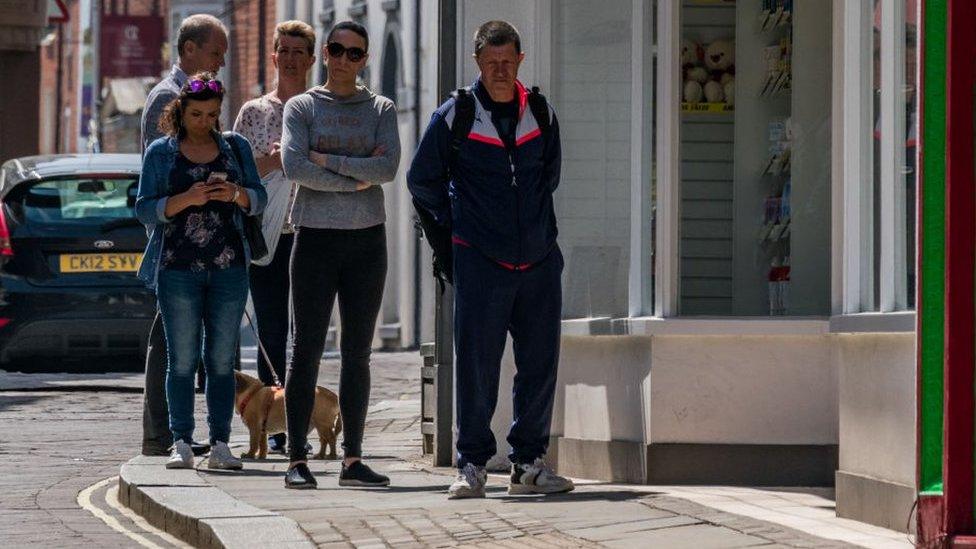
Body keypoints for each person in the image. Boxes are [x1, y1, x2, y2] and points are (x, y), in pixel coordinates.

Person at [407, 20, 574, 499]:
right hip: (480, 260)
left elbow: (550, 177)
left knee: (540, 366)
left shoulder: (538, 112)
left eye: (508, 62)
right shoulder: (456, 114)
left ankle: (528, 466)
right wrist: (454, 231)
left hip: (540, 260)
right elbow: (422, 181)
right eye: (491, 63)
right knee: (477, 367)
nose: (500, 71)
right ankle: (473, 466)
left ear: (520, 60)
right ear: (478, 63)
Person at [280, 20, 400, 489]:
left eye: (356, 53)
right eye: (337, 50)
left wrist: (327, 160)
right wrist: (355, 174)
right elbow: (294, 166)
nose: (346, 60)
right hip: (313, 237)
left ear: (365, 59)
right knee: (305, 351)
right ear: (324, 54)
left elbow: (388, 167)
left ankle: (352, 460)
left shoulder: (381, 107)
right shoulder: (303, 106)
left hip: (367, 240)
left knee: (358, 353)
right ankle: (296, 458)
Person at [136, 72, 268, 470]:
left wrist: (237, 194)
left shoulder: (235, 148)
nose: (204, 121)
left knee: (220, 360)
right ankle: (181, 442)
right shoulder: (161, 153)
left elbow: (258, 199)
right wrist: (184, 199)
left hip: (228, 268)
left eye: (212, 114)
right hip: (177, 269)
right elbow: (144, 208)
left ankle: (221, 443)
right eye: (196, 114)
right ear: (180, 110)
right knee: (181, 359)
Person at [140, 13, 229, 457]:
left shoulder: (193, 97)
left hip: (205, 245)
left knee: (180, 342)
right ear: (189, 50)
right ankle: (161, 436)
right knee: (171, 344)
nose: (220, 64)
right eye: (216, 54)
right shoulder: (167, 99)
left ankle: (172, 435)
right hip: (177, 243)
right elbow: (158, 177)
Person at [233, 20, 315, 456]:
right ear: (274, 56)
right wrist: (274, 162)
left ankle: (300, 415)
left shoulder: (320, 108)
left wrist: (299, 162)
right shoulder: (253, 113)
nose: (291, 58)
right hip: (267, 236)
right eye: (284, 50)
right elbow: (236, 174)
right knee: (270, 329)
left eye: (300, 51)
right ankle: (274, 423)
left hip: (312, 232)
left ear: (312, 59)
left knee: (306, 331)